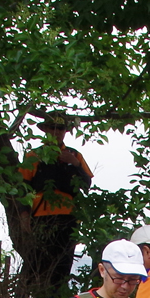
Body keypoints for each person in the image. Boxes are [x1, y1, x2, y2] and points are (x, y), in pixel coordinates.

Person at [20, 114, 94, 280]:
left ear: (65, 131)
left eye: (60, 128)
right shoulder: (34, 156)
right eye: (52, 127)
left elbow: (87, 184)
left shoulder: (75, 155)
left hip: (68, 217)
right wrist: (24, 216)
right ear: (45, 130)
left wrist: (74, 163)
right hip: (40, 217)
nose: (56, 132)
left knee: (62, 266)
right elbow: (22, 188)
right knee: (38, 265)